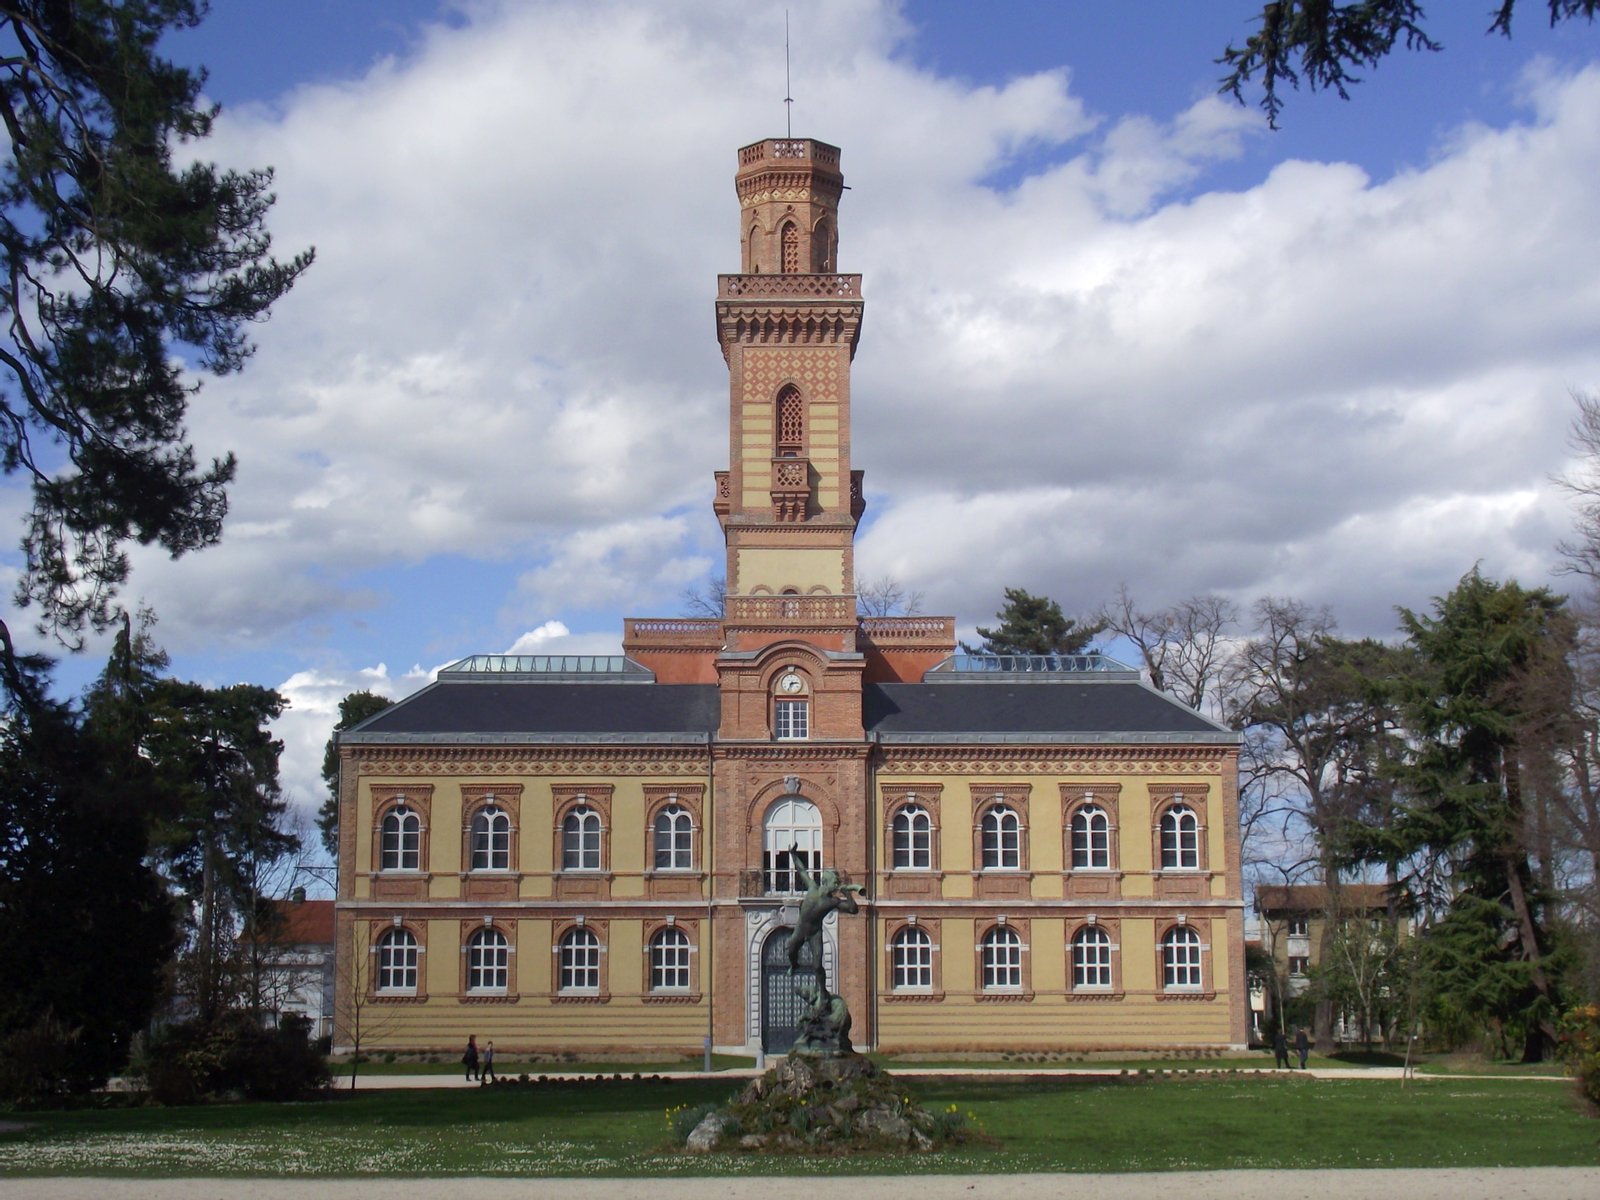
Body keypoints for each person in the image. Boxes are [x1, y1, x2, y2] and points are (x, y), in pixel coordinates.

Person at [784, 845, 867, 990]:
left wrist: (848, 894)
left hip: (815, 933)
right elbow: (801, 870)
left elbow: (853, 910)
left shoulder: (833, 901)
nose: (836, 885)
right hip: (801, 929)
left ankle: (822, 991)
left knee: (817, 965)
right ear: (825, 882)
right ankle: (794, 964)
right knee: (790, 950)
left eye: (837, 883)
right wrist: (793, 854)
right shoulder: (812, 888)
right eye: (835, 882)